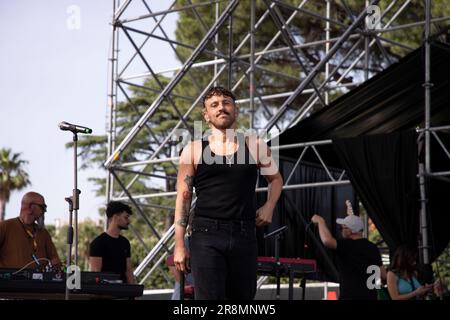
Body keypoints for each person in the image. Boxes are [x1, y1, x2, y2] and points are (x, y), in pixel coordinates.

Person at [173, 86, 283, 300]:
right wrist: (179, 245)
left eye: (226, 103)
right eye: (214, 105)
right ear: (206, 115)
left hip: (245, 234)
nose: (221, 108)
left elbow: (276, 180)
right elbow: (183, 198)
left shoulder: (255, 145)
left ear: (236, 110)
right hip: (206, 235)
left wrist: (269, 206)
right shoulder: (193, 150)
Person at [311, 212, 385, 300]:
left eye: (342, 228)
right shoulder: (373, 248)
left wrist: (321, 222)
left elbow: (327, 241)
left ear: (350, 231)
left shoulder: (347, 245)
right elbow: (383, 275)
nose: (341, 230)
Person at [0, 191, 60, 269]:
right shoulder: (5, 227)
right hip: (10, 281)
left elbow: (55, 260)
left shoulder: (43, 233)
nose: (44, 211)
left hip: (40, 281)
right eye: (43, 207)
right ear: (31, 207)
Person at [89, 201, 135, 284]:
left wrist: (133, 293)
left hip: (123, 291)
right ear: (115, 217)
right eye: (126, 217)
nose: (128, 221)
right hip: (106, 292)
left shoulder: (125, 242)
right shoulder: (98, 243)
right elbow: (96, 273)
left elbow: (128, 270)